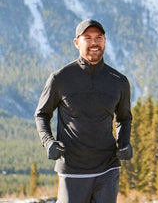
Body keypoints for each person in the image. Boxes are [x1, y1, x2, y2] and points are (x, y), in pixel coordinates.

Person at [34, 19, 133, 202]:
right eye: (87, 37)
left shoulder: (119, 81)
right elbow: (42, 114)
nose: (94, 42)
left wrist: (125, 143)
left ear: (105, 41)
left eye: (99, 37)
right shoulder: (60, 78)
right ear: (76, 42)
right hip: (73, 169)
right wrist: (48, 142)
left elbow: (124, 118)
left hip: (108, 168)